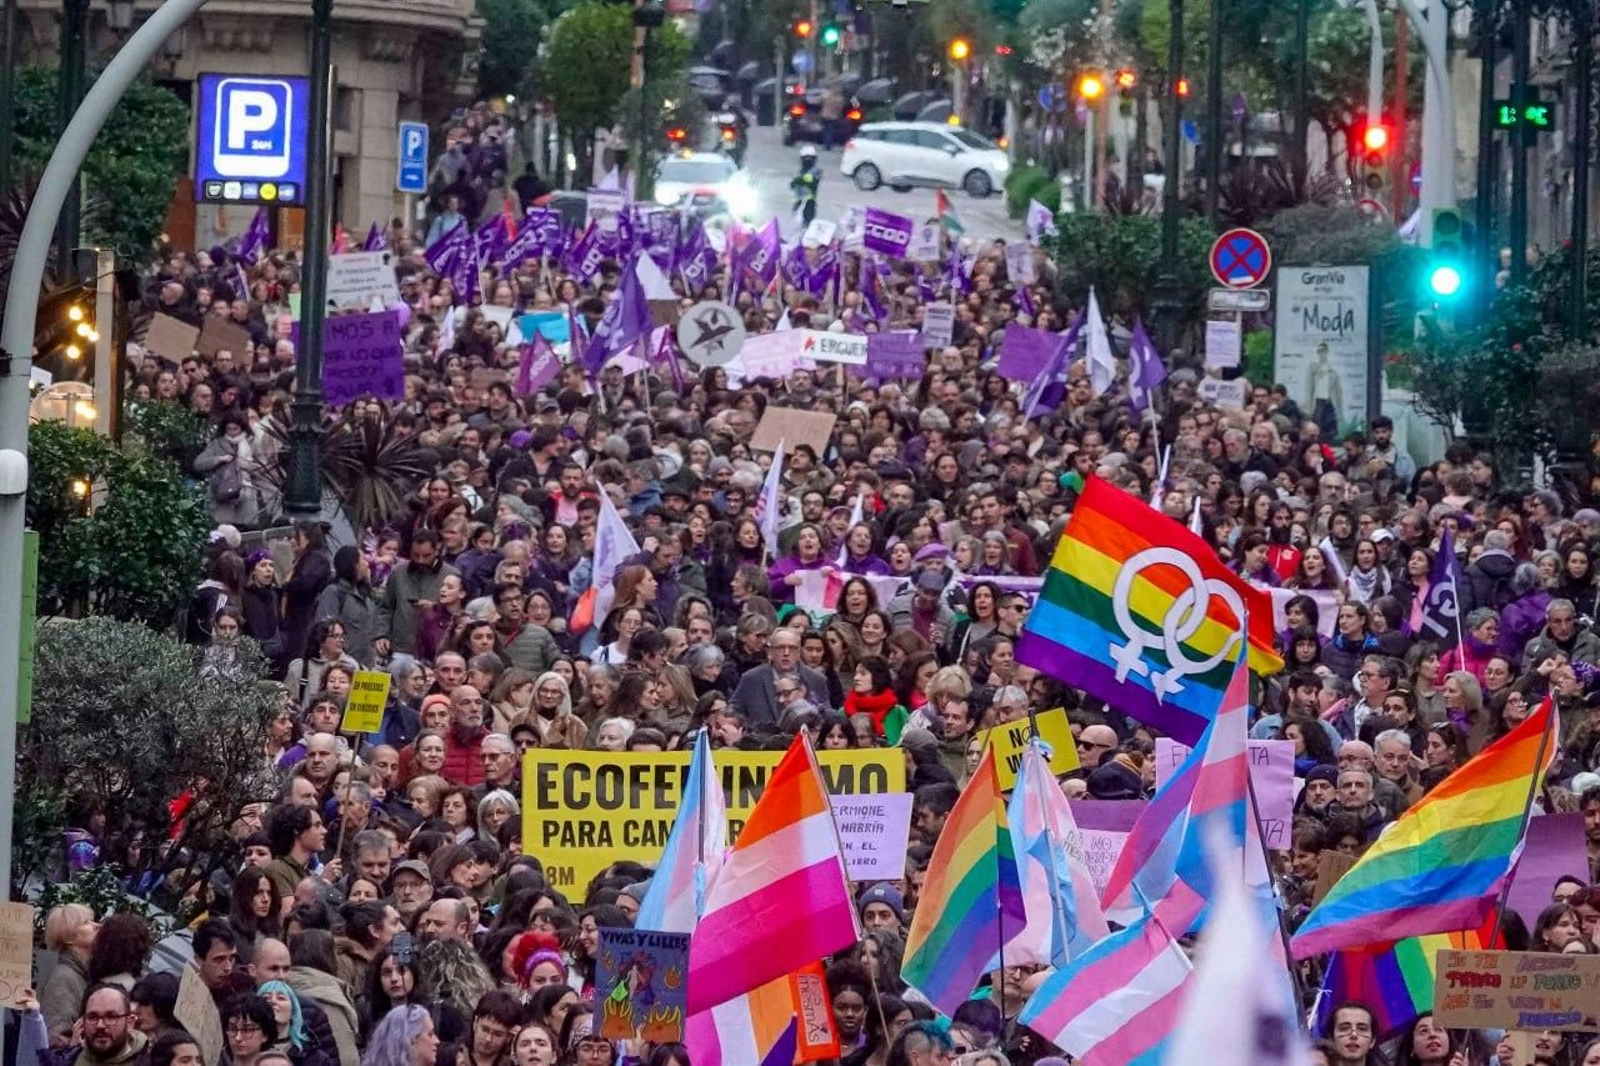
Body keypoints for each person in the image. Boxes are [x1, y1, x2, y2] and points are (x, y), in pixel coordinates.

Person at [790, 146, 821, 226]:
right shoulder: (800, 172)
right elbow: (793, 185)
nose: (808, 160)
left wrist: (799, 180)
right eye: (806, 158)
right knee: (798, 225)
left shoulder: (816, 171)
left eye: (810, 158)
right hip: (799, 202)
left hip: (809, 204)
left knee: (807, 224)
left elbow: (813, 181)